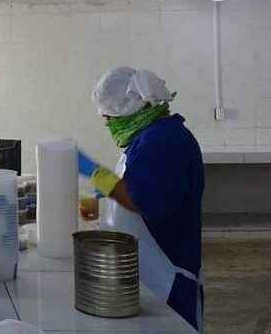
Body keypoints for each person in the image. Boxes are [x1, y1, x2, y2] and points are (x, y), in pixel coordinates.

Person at [77, 66, 204, 332]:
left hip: (165, 279)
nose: (107, 123)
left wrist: (96, 173)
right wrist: (109, 193)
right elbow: (139, 186)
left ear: (130, 110)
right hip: (147, 275)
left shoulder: (160, 141)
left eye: (109, 116)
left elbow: (143, 200)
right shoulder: (150, 137)